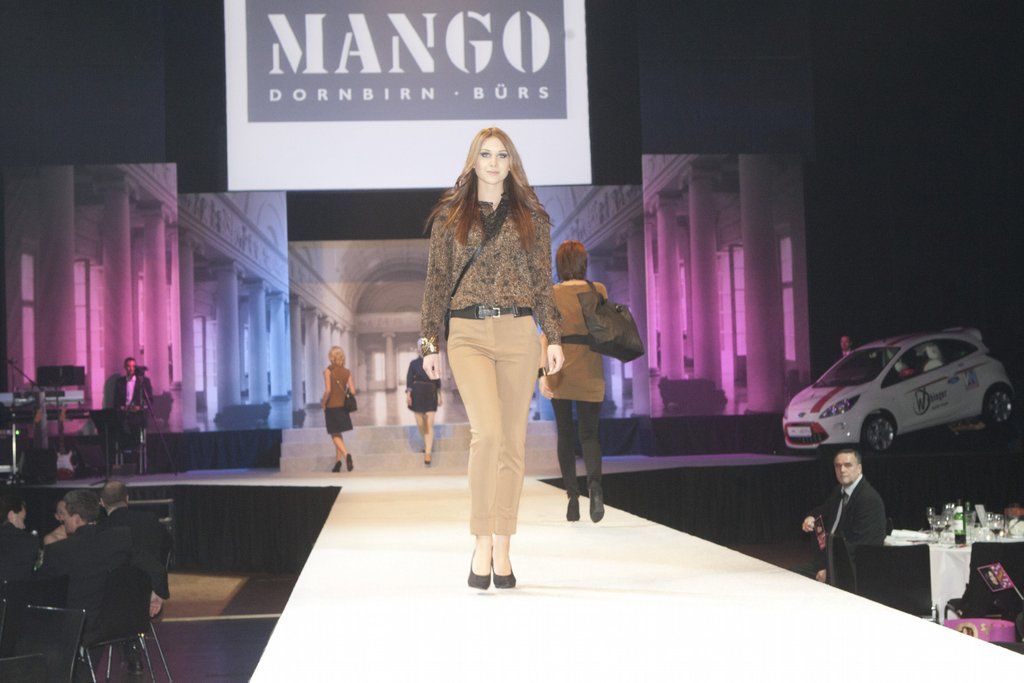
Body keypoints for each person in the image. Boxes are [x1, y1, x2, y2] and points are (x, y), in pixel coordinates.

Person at [419, 126, 564, 590]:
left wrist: (553, 337)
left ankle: (504, 543)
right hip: (468, 334)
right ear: (473, 161)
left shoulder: (532, 218)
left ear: (511, 163)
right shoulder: (450, 218)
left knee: (513, 443)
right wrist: (429, 344)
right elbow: (436, 283)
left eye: (502, 155)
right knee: (488, 434)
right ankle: (481, 540)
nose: (494, 162)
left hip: (519, 332)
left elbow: (542, 283)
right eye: (486, 154)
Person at [38, 489, 169, 638]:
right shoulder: (120, 538)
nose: (62, 521)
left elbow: (43, 589)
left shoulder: (58, 550)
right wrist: (156, 594)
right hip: (120, 623)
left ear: (76, 519)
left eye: (65, 517)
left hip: (76, 627)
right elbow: (155, 568)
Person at [538, 240, 607, 523]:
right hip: (590, 367)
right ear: (583, 262)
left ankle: (573, 498)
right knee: (590, 434)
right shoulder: (598, 290)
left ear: (560, 264)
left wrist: (542, 374)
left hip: (560, 367)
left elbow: (545, 335)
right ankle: (596, 489)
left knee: (565, 435)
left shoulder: (553, 293)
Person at [798, 448, 886, 582]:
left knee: (796, 580)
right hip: (833, 560)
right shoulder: (840, 490)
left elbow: (860, 546)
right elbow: (824, 510)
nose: (842, 470)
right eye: (838, 466)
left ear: (859, 468)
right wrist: (810, 517)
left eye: (847, 465)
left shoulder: (868, 499)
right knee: (791, 575)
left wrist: (830, 570)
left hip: (854, 570)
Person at [99, 480, 173, 565]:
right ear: (127, 498)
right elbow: (168, 544)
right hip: (150, 571)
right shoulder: (150, 519)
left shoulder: (100, 528)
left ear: (102, 502)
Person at [322, 346, 355, 473]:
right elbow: (353, 391)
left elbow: (328, 390)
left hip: (331, 407)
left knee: (334, 434)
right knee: (338, 434)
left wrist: (323, 403)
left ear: (331, 357)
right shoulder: (347, 372)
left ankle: (346, 455)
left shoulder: (328, 371)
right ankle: (338, 463)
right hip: (343, 407)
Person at [406, 355, 442, 466]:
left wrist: (439, 395)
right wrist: (408, 394)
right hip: (417, 394)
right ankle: (427, 444)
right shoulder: (413, 363)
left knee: (428, 425)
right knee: (421, 423)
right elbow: (409, 379)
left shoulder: (433, 362)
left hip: (431, 393)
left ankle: (428, 452)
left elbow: (437, 379)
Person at [0, 492, 40, 582]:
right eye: (22, 519)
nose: (24, 526)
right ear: (11, 515)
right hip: (18, 590)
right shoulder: (29, 541)